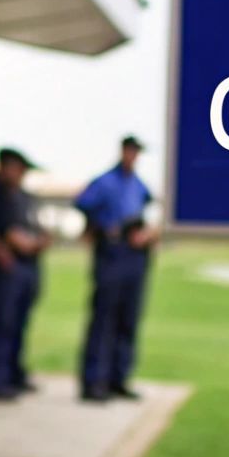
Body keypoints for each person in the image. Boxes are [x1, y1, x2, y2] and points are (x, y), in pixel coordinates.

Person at [75, 135, 157, 402]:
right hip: (112, 252)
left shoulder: (138, 185)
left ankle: (117, 378)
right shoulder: (105, 182)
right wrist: (101, 228)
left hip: (135, 254)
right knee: (104, 319)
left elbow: (145, 209)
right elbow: (84, 204)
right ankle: (93, 380)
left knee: (127, 319)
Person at [0, 148, 47, 400]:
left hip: (26, 268)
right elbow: (8, 234)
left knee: (17, 325)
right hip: (3, 269)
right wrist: (22, 244)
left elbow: (38, 232)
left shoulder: (25, 197)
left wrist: (37, 242)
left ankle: (13, 375)